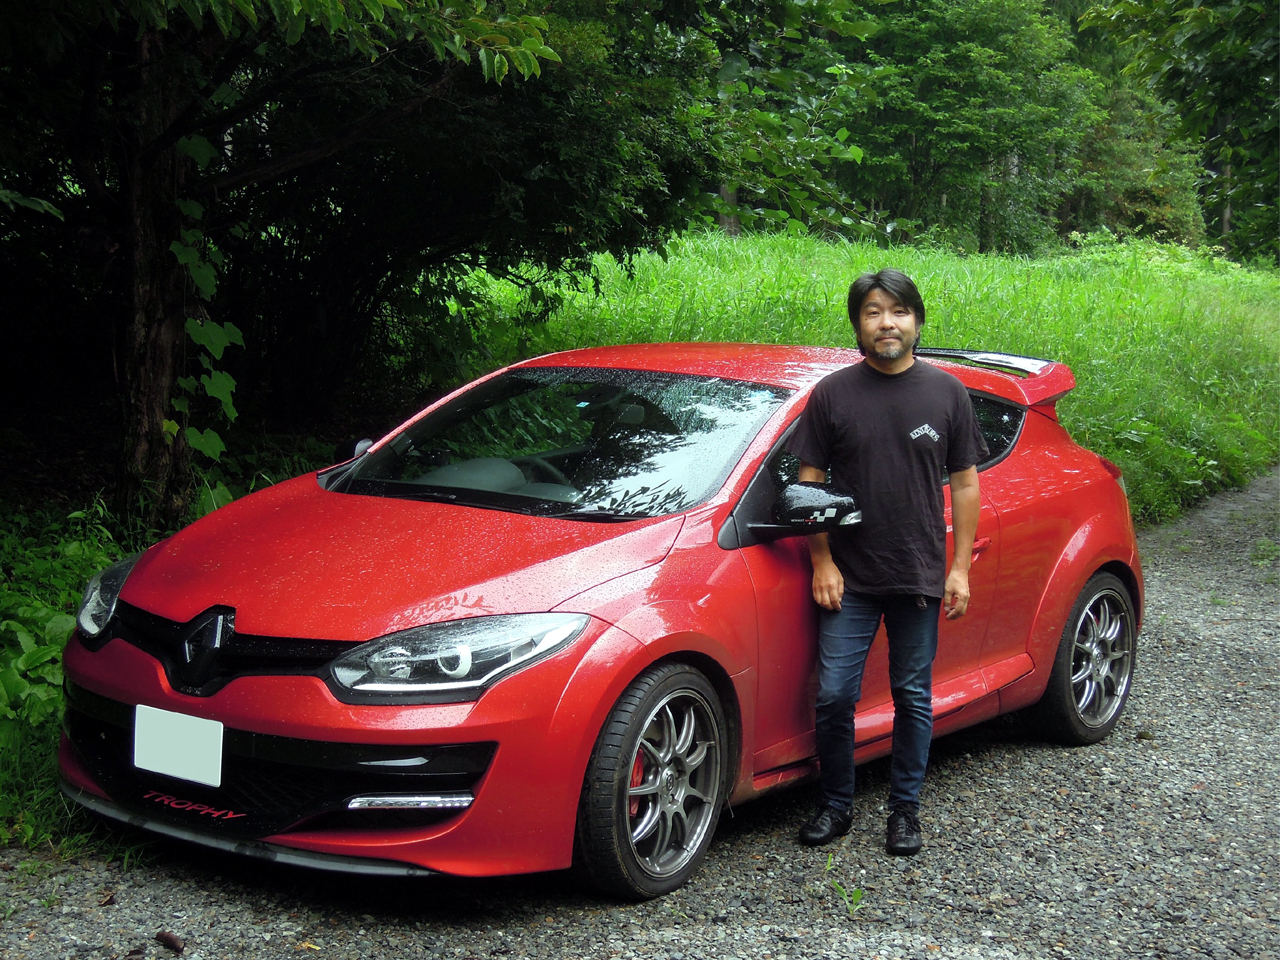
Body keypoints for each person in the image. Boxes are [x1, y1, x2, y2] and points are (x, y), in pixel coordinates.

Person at [786, 268, 988, 855]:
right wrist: (822, 560)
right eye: (873, 312)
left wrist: (959, 567)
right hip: (849, 575)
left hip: (916, 570)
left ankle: (905, 811)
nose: (886, 323)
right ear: (858, 326)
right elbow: (808, 485)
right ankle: (836, 805)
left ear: (917, 321)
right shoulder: (832, 394)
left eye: (897, 311)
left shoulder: (946, 392)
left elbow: (965, 485)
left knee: (912, 696)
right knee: (834, 696)